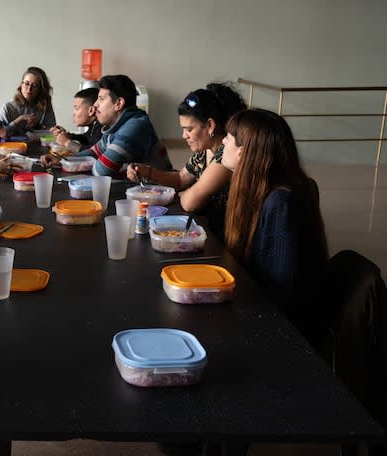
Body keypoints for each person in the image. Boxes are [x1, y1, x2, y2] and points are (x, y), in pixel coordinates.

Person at [221, 108, 328, 336]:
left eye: (228, 138)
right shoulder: (269, 188)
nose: (222, 141)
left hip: (282, 331)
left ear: (243, 152)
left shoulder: (280, 203)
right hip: (266, 315)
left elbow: (283, 295)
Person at [127, 82, 247, 239]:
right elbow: (181, 178)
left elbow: (190, 202)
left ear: (210, 125)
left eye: (189, 129)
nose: (184, 136)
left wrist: (186, 193)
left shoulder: (225, 157)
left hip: (222, 239)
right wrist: (147, 172)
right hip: (206, 230)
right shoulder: (205, 151)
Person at [43, 74, 172, 177]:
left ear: (119, 103)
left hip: (156, 196)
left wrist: (89, 162)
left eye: (101, 99)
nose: (95, 105)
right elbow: (93, 152)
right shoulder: (117, 126)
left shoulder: (135, 125)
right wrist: (61, 161)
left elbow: (101, 171)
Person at [0, 66, 56, 137]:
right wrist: (18, 121)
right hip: (11, 147)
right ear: (21, 84)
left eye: (34, 86)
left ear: (40, 89)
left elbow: (51, 134)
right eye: (26, 83)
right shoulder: (7, 108)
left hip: (38, 146)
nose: (29, 89)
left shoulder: (45, 106)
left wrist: (37, 125)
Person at [50, 87, 102, 154]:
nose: (73, 113)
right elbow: (86, 138)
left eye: (76, 108)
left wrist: (67, 142)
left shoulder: (102, 128)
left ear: (91, 110)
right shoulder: (94, 125)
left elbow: (93, 153)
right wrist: (68, 136)